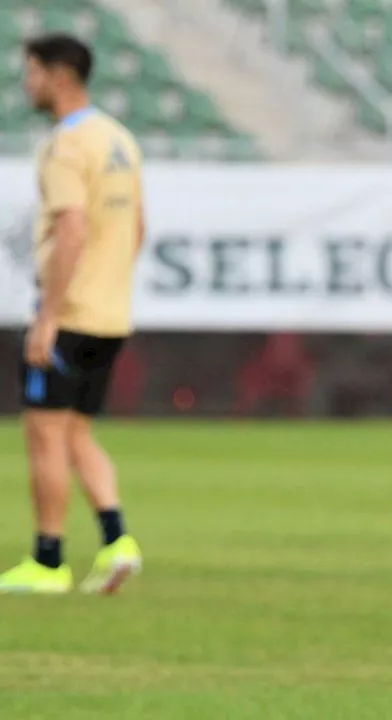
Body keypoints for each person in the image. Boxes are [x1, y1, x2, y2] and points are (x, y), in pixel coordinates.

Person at [0, 35, 145, 595]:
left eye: (31, 72)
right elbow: (138, 226)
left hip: (71, 314)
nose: (26, 83)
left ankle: (47, 561)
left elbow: (72, 228)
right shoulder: (120, 139)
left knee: (44, 435)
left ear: (59, 76)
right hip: (111, 313)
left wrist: (49, 316)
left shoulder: (67, 145)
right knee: (77, 432)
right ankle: (117, 541)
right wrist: (109, 285)